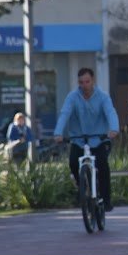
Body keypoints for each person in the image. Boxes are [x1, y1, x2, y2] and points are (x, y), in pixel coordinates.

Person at [53, 68, 119, 210]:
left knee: (102, 164)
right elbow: (65, 113)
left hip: (99, 138)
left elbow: (110, 111)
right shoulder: (72, 97)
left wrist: (114, 129)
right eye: (81, 82)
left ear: (93, 81)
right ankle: (82, 189)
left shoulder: (102, 96)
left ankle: (106, 199)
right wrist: (58, 132)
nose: (84, 85)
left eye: (87, 81)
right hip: (78, 139)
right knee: (73, 163)